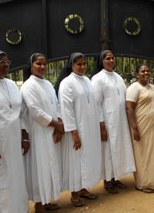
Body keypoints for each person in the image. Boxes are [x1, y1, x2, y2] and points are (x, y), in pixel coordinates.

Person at [0, 49, 29, 213]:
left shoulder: (11, 84)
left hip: (13, 142)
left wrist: (24, 137)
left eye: (8, 62)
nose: (7, 65)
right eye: (3, 62)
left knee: (15, 179)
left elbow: (20, 113)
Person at [56, 52, 102, 207]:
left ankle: (83, 188)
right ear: (72, 65)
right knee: (76, 161)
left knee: (87, 159)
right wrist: (74, 132)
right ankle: (74, 194)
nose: (82, 67)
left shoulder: (87, 81)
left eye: (84, 64)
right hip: (76, 130)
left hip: (89, 128)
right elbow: (66, 109)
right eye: (79, 64)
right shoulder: (67, 83)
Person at [21, 53, 64, 213]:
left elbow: (56, 105)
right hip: (39, 132)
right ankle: (39, 204)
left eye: (44, 64)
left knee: (51, 167)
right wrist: (56, 125)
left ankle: (46, 200)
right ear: (31, 65)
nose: (42, 67)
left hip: (52, 131)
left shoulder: (47, 84)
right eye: (39, 64)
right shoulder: (28, 85)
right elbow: (35, 111)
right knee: (40, 168)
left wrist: (59, 124)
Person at [91, 50, 136, 194]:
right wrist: (102, 126)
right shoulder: (97, 79)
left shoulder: (118, 77)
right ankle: (108, 181)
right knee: (109, 151)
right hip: (108, 121)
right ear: (102, 61)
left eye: (112, 58)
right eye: (107, 58)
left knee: (119, 149)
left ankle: (116, 178)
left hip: (120, 121)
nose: (111, 61)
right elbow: (96, 104)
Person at [126, 64, 154, 193]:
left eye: (148, 71)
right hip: (142, 128)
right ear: (137, 74)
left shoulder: (153, 88)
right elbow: (129, 109)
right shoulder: (134, 88)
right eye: (143, 71)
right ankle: (143, 183)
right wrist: (134, 128)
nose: (146, 73)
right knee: (143, 155)